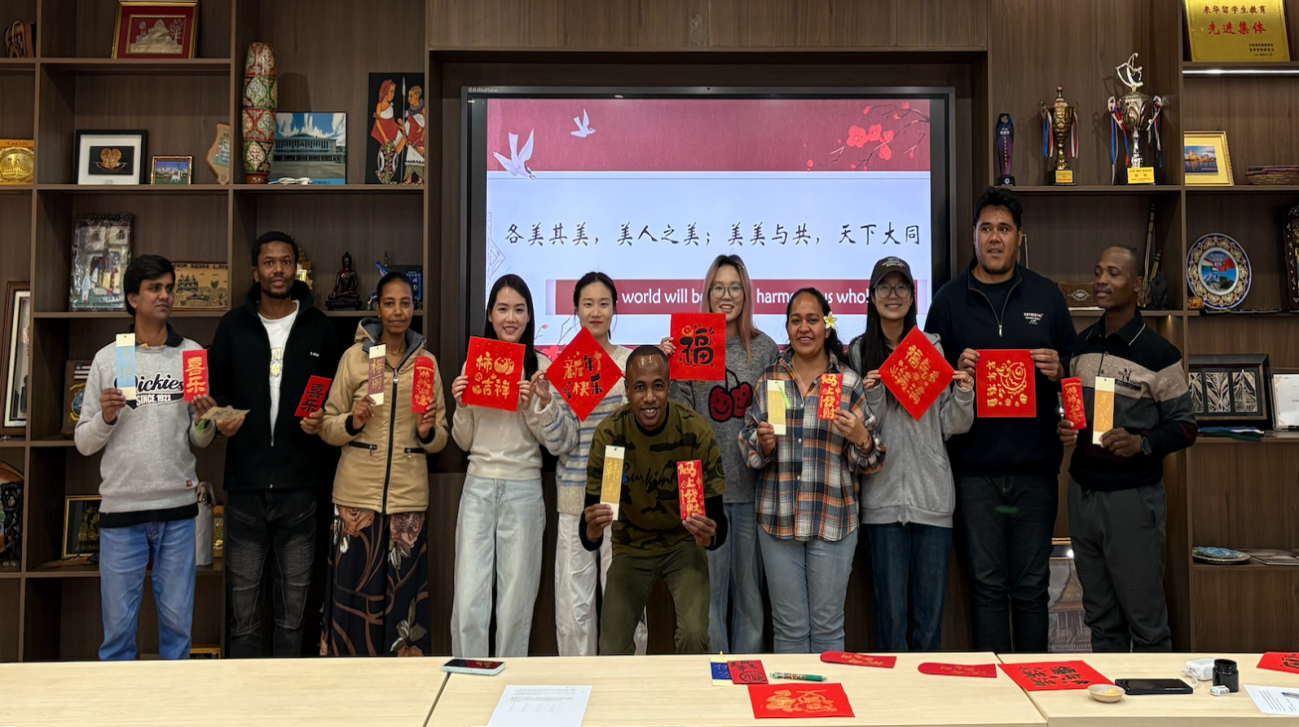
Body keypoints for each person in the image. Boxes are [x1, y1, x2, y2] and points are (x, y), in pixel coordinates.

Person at [924, 186, 1077, 653]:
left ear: (1019, 238)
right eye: (986, 228)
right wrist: (954, 372)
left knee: (1031, 588)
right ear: (974, 236)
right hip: (974, 472)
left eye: (1004, 229)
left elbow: (1077, 376)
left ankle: (1032, 682)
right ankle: (994, 690)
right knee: (986, 588)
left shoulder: (1046, 296)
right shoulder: (948, 300)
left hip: (1035, 471)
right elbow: (927, 390)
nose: (995, 238)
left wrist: (1059, 370)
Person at [76, 254, 217, 660]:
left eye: (170, 288)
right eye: (155, 288)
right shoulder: (111, 358)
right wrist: (105, 417)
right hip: (122, 512)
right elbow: (84, 443)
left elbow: (200, 440)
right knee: (118, 636)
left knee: (178, 631)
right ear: (133, 298)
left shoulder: (192, 354)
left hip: (178, 510)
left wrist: (205, 421)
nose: (165, 295)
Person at [208, 231, 341, 658]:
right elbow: (216, 391)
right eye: (269, 262)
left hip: (300, 486)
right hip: (245, 488)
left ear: (296, 269)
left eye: (285, 262)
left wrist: (323, 421)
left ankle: (289, 695)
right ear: (256, 271)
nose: (278, 270)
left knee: (293, 615)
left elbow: (337, 396)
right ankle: (245, 696)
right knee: (243, 615)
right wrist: (222, 420)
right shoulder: (232, 327)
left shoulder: (319, 326)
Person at [1057, 246, 1196, 652]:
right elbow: (1085, 417)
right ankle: (1110, 694)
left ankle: (1154, 696)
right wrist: (1066, 428)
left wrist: (1141, 442)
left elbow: (1186, 427)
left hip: (1132, 500)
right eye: (1098, 272)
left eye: (1113, 274)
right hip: (1083, 495)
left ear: (1137, 285)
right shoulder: (1081, 347)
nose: (1101, 281)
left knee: (1146, 623)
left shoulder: (1160, 354)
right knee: (1100, 621)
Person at [741, 288, 884, 653]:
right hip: (779, 519)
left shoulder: (847, 382)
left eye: (813, 320)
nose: (804, 328)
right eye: (796, 320)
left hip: (833, 519)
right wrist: (763, 445)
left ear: (827, 325)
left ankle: (827, 692)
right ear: (787, 328)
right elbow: (748, 446)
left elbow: (872, 458)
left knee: (828, 628)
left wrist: (861, 437)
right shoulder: (771, 380)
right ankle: (793, 693)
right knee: (788, 629)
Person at [316, 272, 448, 656]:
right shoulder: (356, 358)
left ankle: (401, 686)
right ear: (378, 308)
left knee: (401, 603)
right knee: (352, 602)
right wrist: (353, 422)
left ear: (414, 308)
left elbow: (441, 436)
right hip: (356, 500)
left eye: (405, 303)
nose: (398, 311)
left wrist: (426, 432)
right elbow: (327, 425)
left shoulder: (426, 364)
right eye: (389, 303)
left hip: (407, 501)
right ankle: (349, 680)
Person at [848, 256, 974, 652]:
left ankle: (928, 694)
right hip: (882, 502)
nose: (893, 294)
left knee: (929, 626)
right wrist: (874, 396)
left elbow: (951, 425)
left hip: (932, 500)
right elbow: (865, 432)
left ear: (913, 296)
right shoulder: (859, 352)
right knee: (889, 626)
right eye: (884, 286)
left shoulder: (930, 348)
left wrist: (964, 394)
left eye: (901, 286)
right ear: (871, 296)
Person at [660, 254, 779, 654]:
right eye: (718, 288)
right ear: (707, 293)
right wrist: (668, 366)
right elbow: (678, 420)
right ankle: (715, 679)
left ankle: (747, 678)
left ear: (746, 294)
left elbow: (775, 414)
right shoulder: (690, 343)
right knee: (707, 596)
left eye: (735, 288)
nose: (726, 296)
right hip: (700, 489)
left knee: (749, 596)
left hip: (750, 488)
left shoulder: (764, 349)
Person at [581, 346, 727, 654]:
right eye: (640, 388)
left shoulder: (694, 431)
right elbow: (589, 531)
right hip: (631, 545)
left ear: (669, 386)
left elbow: (718, 523)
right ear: (627, 389)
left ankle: (690, 687)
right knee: (610, 647)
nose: (649, 397)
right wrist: (592, 530)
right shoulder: (610, 435)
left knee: (694, 634)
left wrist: (710, 536)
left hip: (683, 543)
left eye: (657, 386)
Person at [449, 275, 565, 657]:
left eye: (519, 309)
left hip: (524, 488)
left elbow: (550, 442)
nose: (510, 318)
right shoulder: (475, 363)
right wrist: (461, 405)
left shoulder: (541, 367)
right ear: (490, 315)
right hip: (478, 485)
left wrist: (533, 405)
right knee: (469, 599)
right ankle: (468, 679)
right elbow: (463, 440)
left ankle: (508, 681)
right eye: (502, 309)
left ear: (529, 316)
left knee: (516, 603)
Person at [535, 272, 647, 656]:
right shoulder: (566, 366)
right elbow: (561, 443)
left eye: (603, 303)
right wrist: (548, 404)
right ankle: (577, 682)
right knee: (574, 606)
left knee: (625, 600)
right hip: (574, 497)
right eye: (587, 304)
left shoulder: (631, 364)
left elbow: (643, 434)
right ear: (576, 310)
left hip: (622, 498)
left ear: (615, 309)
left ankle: (627, 683)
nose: (595, 311)